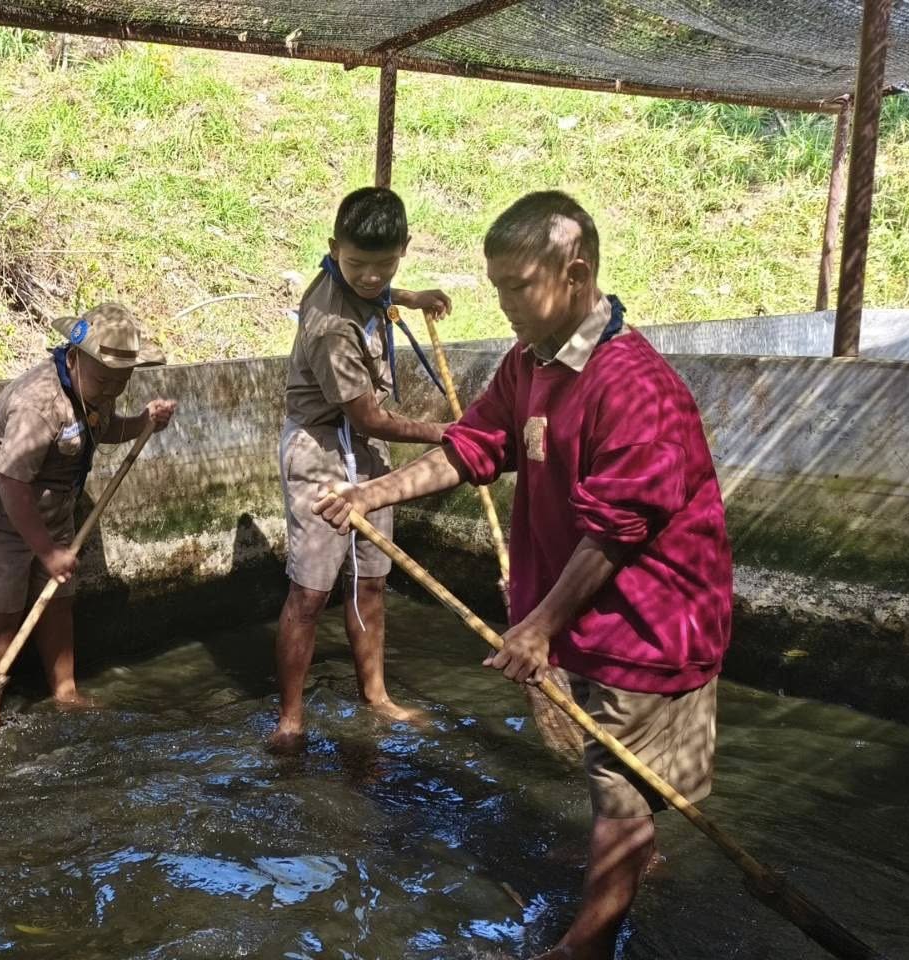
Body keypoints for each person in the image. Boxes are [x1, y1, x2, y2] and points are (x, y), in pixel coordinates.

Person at [316, 191, 731, 960]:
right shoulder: (529, 363)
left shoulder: (634, 385)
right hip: (588, 613)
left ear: (574, 274)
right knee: (615, 772)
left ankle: (587, 943)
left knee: (619, 776)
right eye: (496, 283)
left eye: (515, 285)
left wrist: (538, 625)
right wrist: (369, 493)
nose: (502, 302)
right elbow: (472, 447)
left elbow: (618, 531)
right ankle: (631, 853)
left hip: (653, 619)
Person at [271, 186, 453, 753]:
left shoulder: (367, 284)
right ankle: (291, 717)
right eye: (358, 265)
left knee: (371, 581)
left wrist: (412, 296)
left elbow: (373, 289)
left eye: (384, 265)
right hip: (323, 452)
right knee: (311, 593)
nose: (371, 278)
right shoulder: (328, 322)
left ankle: (374, 695)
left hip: (364, 453)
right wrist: (443, 435)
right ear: (333, 250)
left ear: (403, 248)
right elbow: (369, 417)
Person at [0, 303, 177, 729]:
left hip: (54, 503)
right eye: (105, 379)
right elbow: (13, 482)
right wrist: (46, 551)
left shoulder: (95, 388)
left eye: (122, 381)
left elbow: (104, 428)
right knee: (0, 614)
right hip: (1, 507)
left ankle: (65, 692)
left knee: (59, 602)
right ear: (74, 357)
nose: (112, 389)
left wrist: (143, 423)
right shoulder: (37, 404)